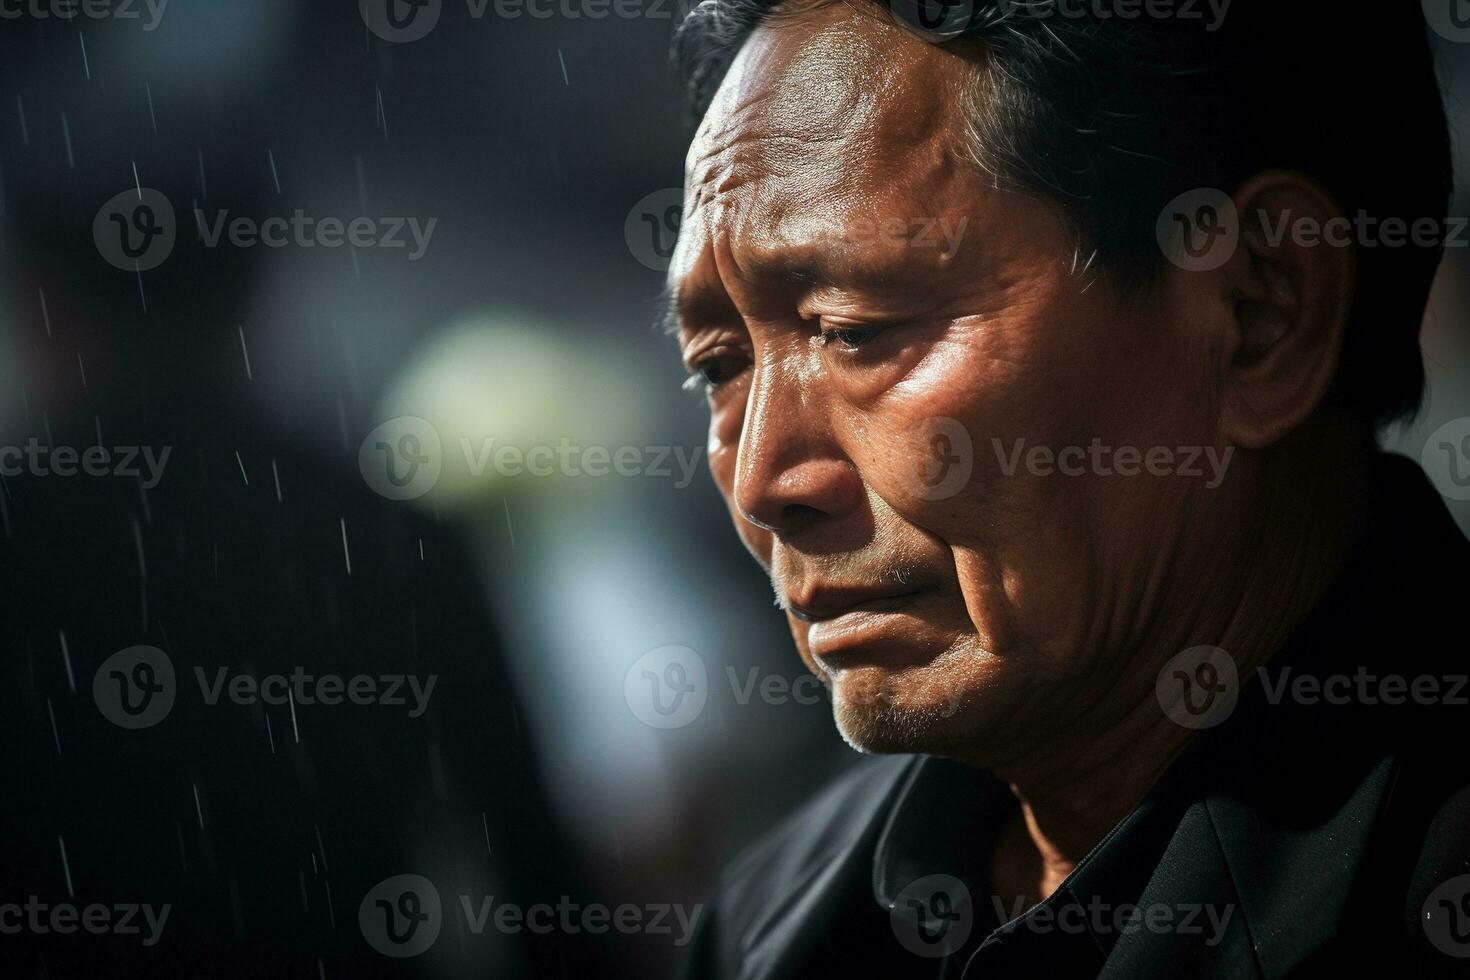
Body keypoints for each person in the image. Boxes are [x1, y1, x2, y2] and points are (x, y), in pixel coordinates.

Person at [665, 2, 1470, 974]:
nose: (763, 481)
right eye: (719, 365)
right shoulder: (769, 924)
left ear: (1260, 314)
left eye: (856, 326)